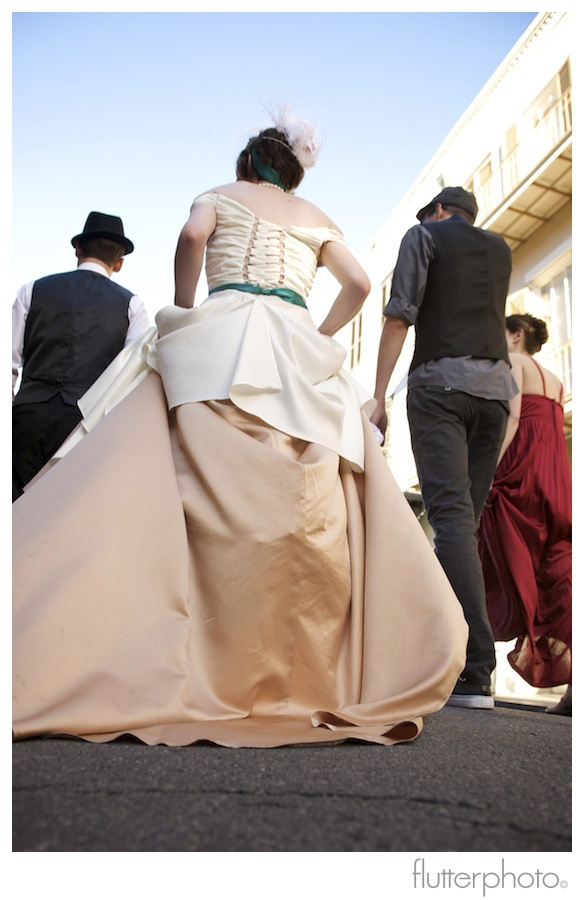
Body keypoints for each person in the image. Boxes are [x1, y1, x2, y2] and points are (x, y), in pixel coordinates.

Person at [12, 110, 467, 749]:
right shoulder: (315, 216)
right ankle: (290, 660)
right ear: (291, 169)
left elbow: (193, 236)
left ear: (247, 167)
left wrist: (186, 307)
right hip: (291, 335)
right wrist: (321, 333)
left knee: (158, 466)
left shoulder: (218, 196)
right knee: (310, 488)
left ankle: (170, 639)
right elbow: (361, 283)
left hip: (221, 329)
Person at [371, 186, 516, 710]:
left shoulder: (423, 236)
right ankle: (442, 653)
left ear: (436, 212)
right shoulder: (499, 249)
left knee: (450, 521)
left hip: (442, 386)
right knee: (463, 527)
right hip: (497, 394)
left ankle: (474, 671)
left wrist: (379, 394)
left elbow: (399, 315)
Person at [12, 211, 150, 501]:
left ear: (78, 249)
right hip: (85, 425)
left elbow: (9, 364)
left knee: (14, 510)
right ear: (120, 263)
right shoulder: (132, 305)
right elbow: (132, 378)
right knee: (64, 511)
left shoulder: (32, 290)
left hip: (26, 418)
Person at [479, 313, 572, 716]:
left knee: (494, 553)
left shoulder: (514, 363)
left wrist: (488, 473)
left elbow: (514, 419)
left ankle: (468, 661)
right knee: (557, 575)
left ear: (517, 336)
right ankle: (573, 693)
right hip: (556, 476)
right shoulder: (557, 380)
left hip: (524, 472)